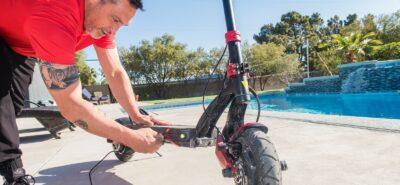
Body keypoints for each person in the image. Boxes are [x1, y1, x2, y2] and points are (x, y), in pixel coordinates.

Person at [0, 0, 169, 184]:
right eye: (114, 19)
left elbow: (115, 72)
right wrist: (131, 138)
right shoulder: (55, 14)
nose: (114, 30)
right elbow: (71, 106)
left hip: (22, 44)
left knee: (12, 107)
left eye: (120, 24)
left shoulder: (100, 23)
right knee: (2, 103)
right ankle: (13, 171)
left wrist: (136, 116)